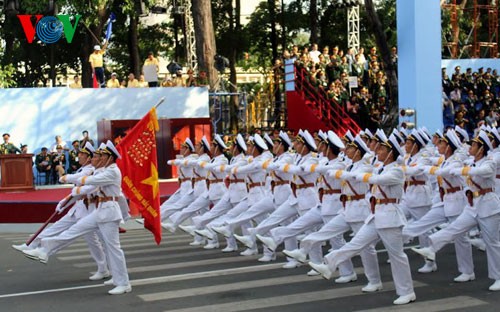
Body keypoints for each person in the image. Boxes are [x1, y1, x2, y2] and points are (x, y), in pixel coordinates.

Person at [310, 132, 416, 306]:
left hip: (390, 217)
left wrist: (359, 176)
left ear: (391, 153)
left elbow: (378, 180)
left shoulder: (396, 170)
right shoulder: (380, 167)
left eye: (382, 149)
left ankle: (407, 292)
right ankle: (329, 264)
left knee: (397, 255)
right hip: (375, 215)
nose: (378, 151)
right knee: (356, 244)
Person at [23, 141, 132, 295]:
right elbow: (89, 184)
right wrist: (76, 186)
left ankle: (123, 283)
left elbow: (90, 181)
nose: (99, 158)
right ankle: (44, 250)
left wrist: (68, 178)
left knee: (113, 248)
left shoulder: (112, 172)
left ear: (109, 157)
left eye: (102, 155)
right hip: (100, 210)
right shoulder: (103, 171)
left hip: (109, 213)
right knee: (75, 230)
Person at [413, 130, 500, 292]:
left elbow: (484, 172)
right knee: (455, 228)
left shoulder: (489, 162)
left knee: (492, 243)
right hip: (473, 205)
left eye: (474, 145)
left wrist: (461, 171)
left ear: (482, 149)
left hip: (488, 207)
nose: (470, 147)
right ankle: (431, 249)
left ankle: (498, 277)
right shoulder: (472, 162)